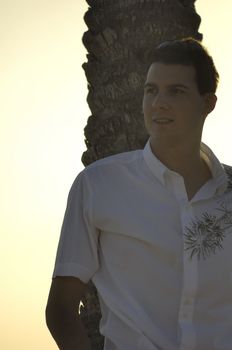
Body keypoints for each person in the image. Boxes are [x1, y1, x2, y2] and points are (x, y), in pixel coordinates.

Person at [46, 38, 232, 350]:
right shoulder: (98, 185)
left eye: (176, 91)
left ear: (208, 103)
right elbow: (61, 309)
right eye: (151, 90)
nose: (159, 102)